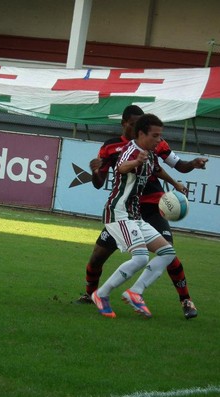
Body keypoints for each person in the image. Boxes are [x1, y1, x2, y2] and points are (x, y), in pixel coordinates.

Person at [75, 105, 208, 319]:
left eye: (160, 136)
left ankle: (137, 292)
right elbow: (120, 167)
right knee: (137, 258)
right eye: (155, 135)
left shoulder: (151, 151)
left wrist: (177, 182)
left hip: (140, 212)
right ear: (138, 131)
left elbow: (160, 168)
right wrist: (134, 162)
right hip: (119, 212)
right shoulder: (128, 150)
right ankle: (99, 294)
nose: (160, 140)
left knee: (168, 253)